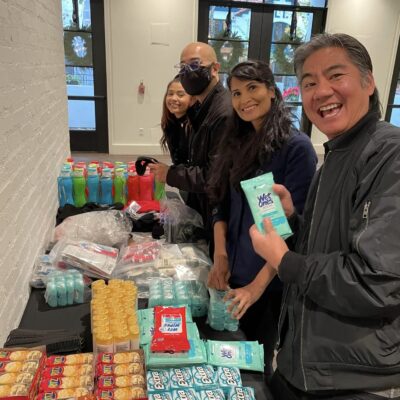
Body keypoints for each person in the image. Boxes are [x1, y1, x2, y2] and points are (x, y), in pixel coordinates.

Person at [249, 33, 400, 399]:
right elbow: (330, 246)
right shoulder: (336, 153)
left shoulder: (389, 154)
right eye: (309, 83)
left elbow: (376, 284)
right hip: (307, 364)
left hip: (356, 378)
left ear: (368, 81)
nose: (321, 92)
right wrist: (293, 221)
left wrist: (282, 260)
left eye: (336, 76)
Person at [207, 60, 317, 380]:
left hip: (268, 286)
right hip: (234, 275)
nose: (244, 100)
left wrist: (255, 288)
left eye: (252, 88)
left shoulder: (296, 149)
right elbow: (220, 203)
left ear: (272, 90)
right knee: (226, 358)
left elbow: (293, 232)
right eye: (236, 93)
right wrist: (220, 255)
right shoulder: (235, 142)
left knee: (255, 367)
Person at [149, 42, 233, 245]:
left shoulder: (222, 112)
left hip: (220, 211)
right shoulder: (202, 109)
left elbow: (212, 177)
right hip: (203, 204)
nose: (188, 71)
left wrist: (169, 174)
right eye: (183, 66)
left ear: (215, 69)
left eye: (195, 65)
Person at [160, 76, 192, 166]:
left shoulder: (195, 126)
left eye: (180, 95)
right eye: (170, 94)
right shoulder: (170, 123)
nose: (173, 98)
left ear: (192, 99)